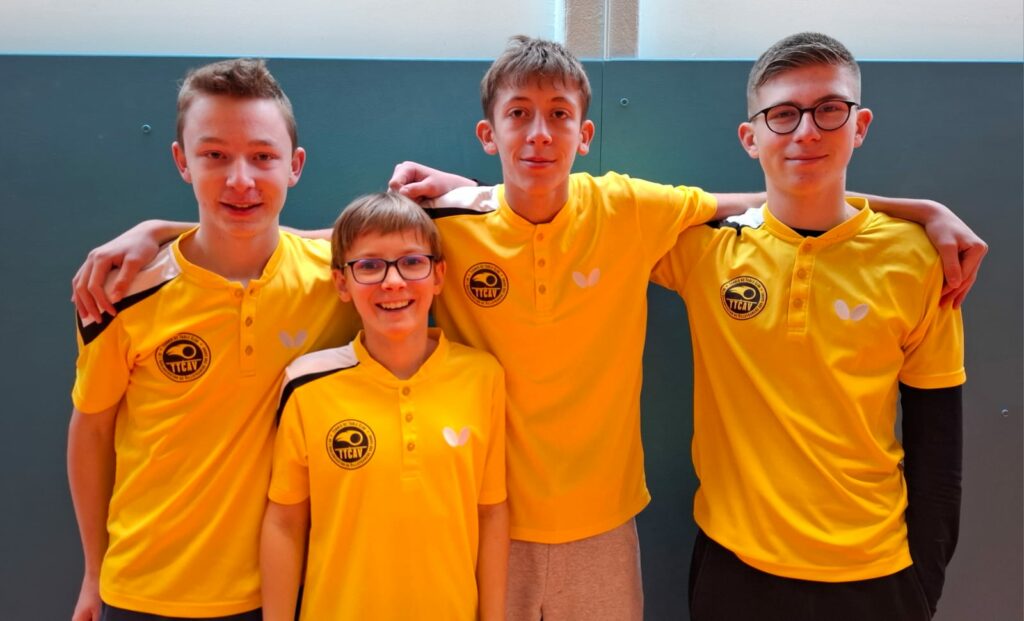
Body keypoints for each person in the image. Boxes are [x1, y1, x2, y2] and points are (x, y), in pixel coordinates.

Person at [72, 36, 985, 621]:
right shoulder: (449, 225)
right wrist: (158, 231)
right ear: (489, 135)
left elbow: (778, 195)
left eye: (558, 117)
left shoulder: (632, 210)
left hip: (604, 528)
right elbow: (312, 242)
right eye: (519, 116)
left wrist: (918, 209)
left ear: (586, 134)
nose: (539, 134)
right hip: (485, 525)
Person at [649, 32, 965, 620]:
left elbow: (939, 446)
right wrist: (474, 193)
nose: (807, 131)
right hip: (734, 571)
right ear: (751, 137)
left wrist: (924, 583)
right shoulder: (704, 251)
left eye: (829, 110)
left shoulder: (922, 260)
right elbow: (577, 221)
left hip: (877, 577)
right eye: (783, 115)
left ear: (859, 125)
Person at [67, 58, 360, 620]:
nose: (240, 180)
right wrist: (92, 573)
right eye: (215, 156)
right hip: (143, 590)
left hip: (283, 595)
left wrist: (157, 226)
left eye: (263, 156)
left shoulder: (338, 277)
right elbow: (91, 430)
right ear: (183, 161)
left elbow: (421, 237)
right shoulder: (122, 292)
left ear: (295, 166)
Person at [259, 191, 508, 620]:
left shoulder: (482, 376)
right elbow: (285, 522)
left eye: (411, 262)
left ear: (438, 274)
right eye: (370, 266)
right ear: (342, 282)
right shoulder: (307, 384)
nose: (393, 282)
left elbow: (491, 513)